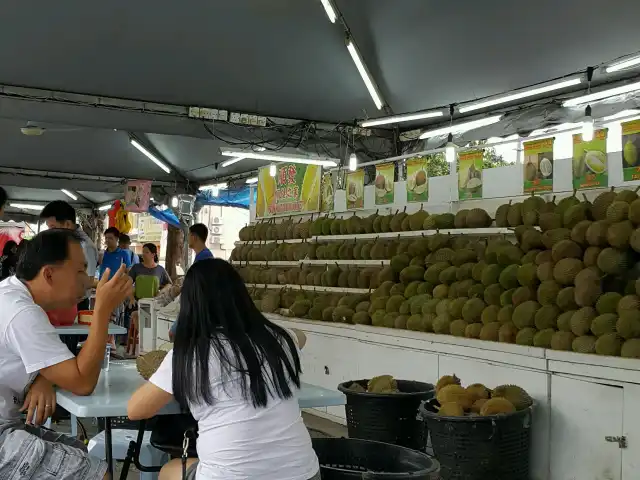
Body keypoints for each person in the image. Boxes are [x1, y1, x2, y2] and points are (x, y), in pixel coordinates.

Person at [128, 259, 319, 480]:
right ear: (240, 297)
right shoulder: (280, 339)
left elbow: (136, 410)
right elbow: (301, 337)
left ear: (191, 305)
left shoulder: (190, 355)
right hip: (304, 474)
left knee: (168, 471)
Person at [0, 229, 133, 479]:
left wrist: (43, 376)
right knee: (97, 475)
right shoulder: (22, 312)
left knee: (78, 450)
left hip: (9, 424)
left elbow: (35, 358)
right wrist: (102, 310)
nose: (88, 281)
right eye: (80, 271)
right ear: (49, 273)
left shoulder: (11, 293)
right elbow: (82, 382)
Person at [40, 200, 99, 311]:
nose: (50, 232)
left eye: (52, 227)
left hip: (76, 304)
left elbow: (88, 281)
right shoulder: (64, 241)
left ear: (67, 224)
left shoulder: (86, 246)